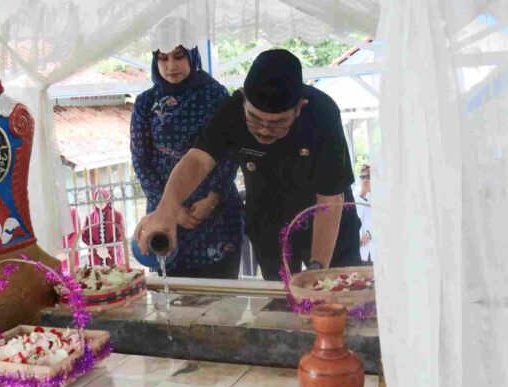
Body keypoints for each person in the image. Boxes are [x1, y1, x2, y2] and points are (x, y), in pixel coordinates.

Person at [134, 49, 361, 280]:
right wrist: (166, 210)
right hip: (269, 217)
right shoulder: (232, 110)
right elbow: (198, 160)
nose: (264, 129)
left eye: (278, 123)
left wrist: (318, 271)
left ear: (299, 107)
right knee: (279, 299)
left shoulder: (322, 113)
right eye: (254, 118)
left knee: (336, 291)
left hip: (326, 221)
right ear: (243, 100)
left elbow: (330, 199)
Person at [130, 27, 244, 279]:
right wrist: (169, 208)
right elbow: (141, 161)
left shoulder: (215, 95)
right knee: (174, 301)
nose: (171, 65)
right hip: (165, 216)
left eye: (179, 56)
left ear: (192, 56)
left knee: (221, 302)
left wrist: (212, 199)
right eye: (163, 57)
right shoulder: (146, 103)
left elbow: (230, 152)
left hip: (216, 213)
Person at [81, 188, 125, 267]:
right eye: (97, 199)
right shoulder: (89, 217)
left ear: (107, 198)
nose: (100, 201)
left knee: (115, 276)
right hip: (96, 256)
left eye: (102, 198)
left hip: (113, 255)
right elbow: (85, 236)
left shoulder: (117, 215)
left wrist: (108, 249)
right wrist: (97, 248)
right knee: (98, 277)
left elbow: (121, 235)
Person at [356, 164, 373, 265]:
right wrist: (362, 194)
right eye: (362, 177)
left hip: (376, 248)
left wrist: (370, 235)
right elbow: (357, 218)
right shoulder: (356, 196)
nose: (365, 180)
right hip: (361, 249)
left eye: (368, 177)